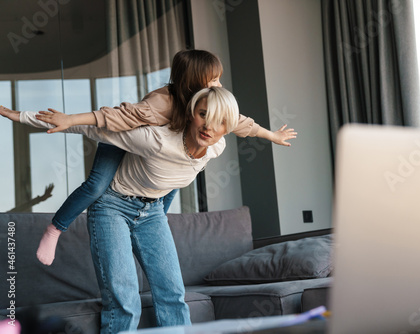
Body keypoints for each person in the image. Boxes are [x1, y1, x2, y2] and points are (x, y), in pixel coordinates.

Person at [23, 49, 296, 266]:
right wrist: (69, 119)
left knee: (169, 186)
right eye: (214, 79)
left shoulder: (206, 106)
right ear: (195, 83)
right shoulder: (161, 103)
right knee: (96, 186)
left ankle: (144, 231)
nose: (219, 84)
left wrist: (271, 135)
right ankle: (55, 229)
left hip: (158, 154)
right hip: (121, 137)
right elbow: (115, 118)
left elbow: (238, 121)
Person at [1, 86, 241, 333]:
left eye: (220, 121)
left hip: (152, 212)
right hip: (112, 206)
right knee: (125, 301)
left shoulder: (216, 147)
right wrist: (22, 116)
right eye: (203, 114)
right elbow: (93, 127)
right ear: (191, 113)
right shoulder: (156, 140)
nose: (209, 127)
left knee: (173, 294)